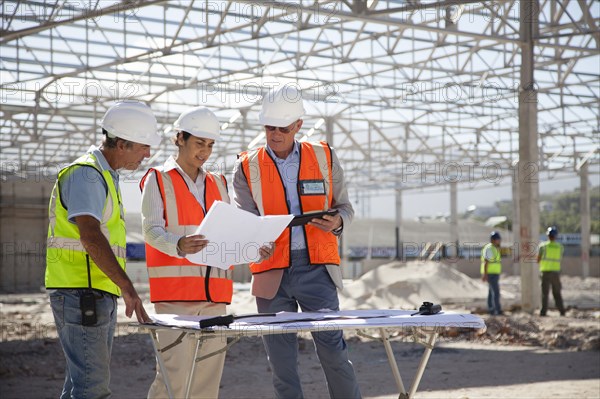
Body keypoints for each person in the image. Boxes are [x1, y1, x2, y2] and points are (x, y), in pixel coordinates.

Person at [232, 85, 362, 399]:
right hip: (270, 273)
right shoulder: (246, 167)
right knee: (281, 363)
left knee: (333, 351)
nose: (274, 134)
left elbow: (346, 208)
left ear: (298, 126)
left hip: (317, 269)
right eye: (268, 127)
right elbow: (244, 224)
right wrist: (253, 241)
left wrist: (337, 221)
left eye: (282, 128)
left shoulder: (324, 156)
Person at [140, 106, 273, 398]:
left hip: (215, 298)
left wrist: (252, 250)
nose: (205, 151)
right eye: (199, 143)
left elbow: (225, 240)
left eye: (210, 145)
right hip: (176, 298)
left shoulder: (218, 183)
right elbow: (150, 230)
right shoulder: (158, 179)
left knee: (206, 383)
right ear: (180, 139)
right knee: (172, 379)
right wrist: (177, 244)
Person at [45, 101, 159, 398]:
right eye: (143, 147)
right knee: (92, 388)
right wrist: (127, 285)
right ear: (122, 144)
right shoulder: (87, 174)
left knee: (79, 385)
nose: (147, 155)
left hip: (91, 292)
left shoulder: (106, 175)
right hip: (82, 293)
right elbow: (91, 236)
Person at [538, 226, 566, 316]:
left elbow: (538, 259)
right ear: (556, 236)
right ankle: (562, 311)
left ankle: (543, 312)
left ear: (548, 235)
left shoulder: (543, 246)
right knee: (557, 293)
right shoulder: (560, 247)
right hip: (556, 273)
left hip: (545, 272)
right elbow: (560, 258)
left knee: (545, 293)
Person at [481, 231, 503, 315]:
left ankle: (491, 309)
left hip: (494, 273)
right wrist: (485, 274)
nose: (499, 241)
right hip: (491, 274)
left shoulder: (494, 248)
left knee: (491, 292)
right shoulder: (490, 248)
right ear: (493, 240)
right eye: (498, 239)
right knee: (496, 292)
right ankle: (497, 310)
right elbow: (486, 262)